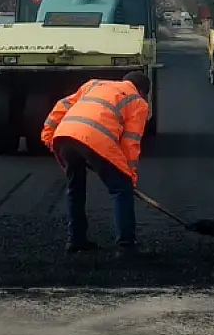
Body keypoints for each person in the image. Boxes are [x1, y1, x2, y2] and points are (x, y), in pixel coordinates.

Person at [42, 71, 152, 259]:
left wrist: (48, 134)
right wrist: (129, 176)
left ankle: (76, 240)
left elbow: (62, 105)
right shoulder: (138, 102)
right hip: (96, 138)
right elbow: (130, 143)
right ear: (142, 91)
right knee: (121, 190)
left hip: (64, 134)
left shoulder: (94, 84)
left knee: (75, 188)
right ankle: (127, 246)